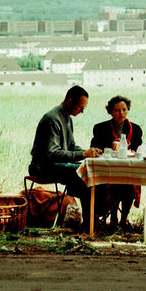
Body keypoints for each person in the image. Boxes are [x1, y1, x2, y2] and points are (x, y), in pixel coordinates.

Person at [29, 85, 101, 228]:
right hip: (42, 167)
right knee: (83, 175)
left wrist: (89, 152)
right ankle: (89, 224)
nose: (82, 112)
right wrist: (83, 155)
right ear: (69, 102)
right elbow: (53, 154)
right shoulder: (52, 119)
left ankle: (91, 219)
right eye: (80, 108)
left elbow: (71, 146)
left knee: (90, 172)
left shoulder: (67, 118)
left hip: (55, 165)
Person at [90, 95, 143, 229]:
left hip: (129, 170)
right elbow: (95, 148)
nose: (121, 113)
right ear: (111, 111)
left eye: (124, 110)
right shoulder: (100, 128)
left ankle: (124, 219)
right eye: (117, 110)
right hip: (108, 170)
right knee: (115, 184)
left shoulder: (136, 129)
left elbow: (139, 149)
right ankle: (113, 217)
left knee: (128, 184)